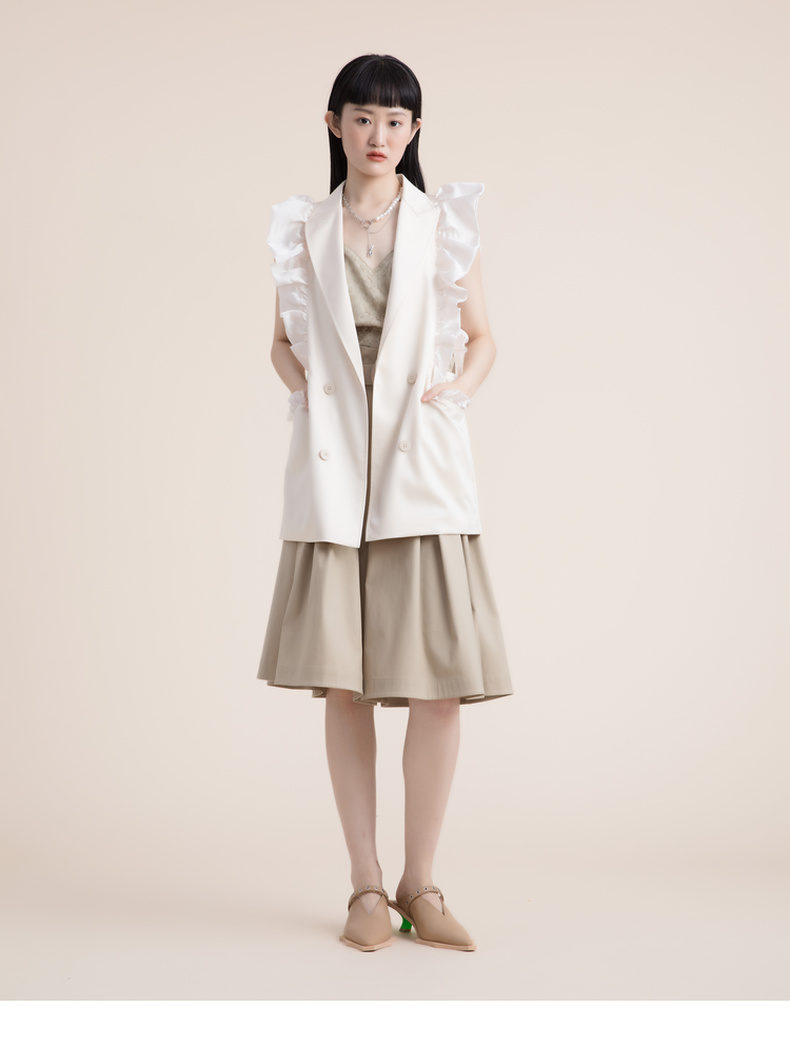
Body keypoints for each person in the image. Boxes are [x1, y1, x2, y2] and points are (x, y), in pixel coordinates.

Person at [257, 54, 513, 952]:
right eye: (363, 117)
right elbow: (279, 341)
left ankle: (421, 882)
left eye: (396, 121)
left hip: (420, 465)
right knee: (346, 684)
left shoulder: (444, 225)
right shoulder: (303, 228)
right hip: (338, 470)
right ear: (334, 125)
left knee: (437, 688)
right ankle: (366, 887)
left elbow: (483, 339)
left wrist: (453, 397)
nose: (379, 135)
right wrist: (309, 393)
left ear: (415, 131)